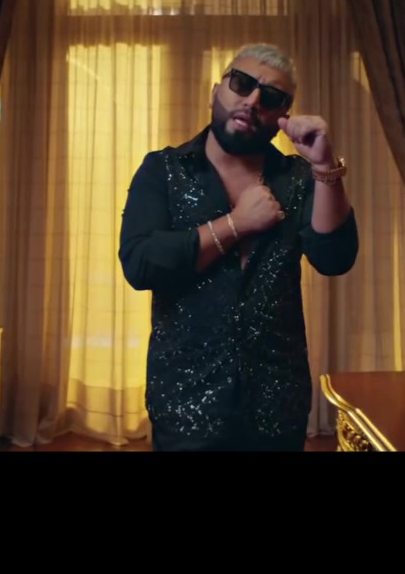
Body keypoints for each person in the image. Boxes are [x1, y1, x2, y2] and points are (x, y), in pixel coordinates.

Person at [118, 42, 359, 452]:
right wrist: (237, 224)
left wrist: (324, 167)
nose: (252, 101)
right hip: (186, 404)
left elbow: (334, 258)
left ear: (283, 115)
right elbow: (141, 265)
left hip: (277, 406)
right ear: (216, 91)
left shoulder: (298, 178)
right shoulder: (163, 170)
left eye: (271, 97)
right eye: (242, 84)